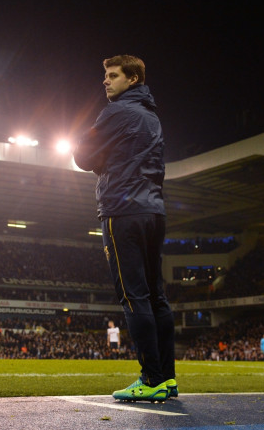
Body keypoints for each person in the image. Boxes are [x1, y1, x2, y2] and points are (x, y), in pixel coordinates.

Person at [73, 55, 176, 402]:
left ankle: (150, 379)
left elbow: (82, 155)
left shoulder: (115, 113)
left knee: (134, 296)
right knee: (156, 296)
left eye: (113, 75)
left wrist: (101, 158)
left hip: (123, 209)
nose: (105, 81)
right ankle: (167, 377)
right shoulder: (152, 117)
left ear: (132, 79)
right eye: (105, 75)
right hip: (154, 211)